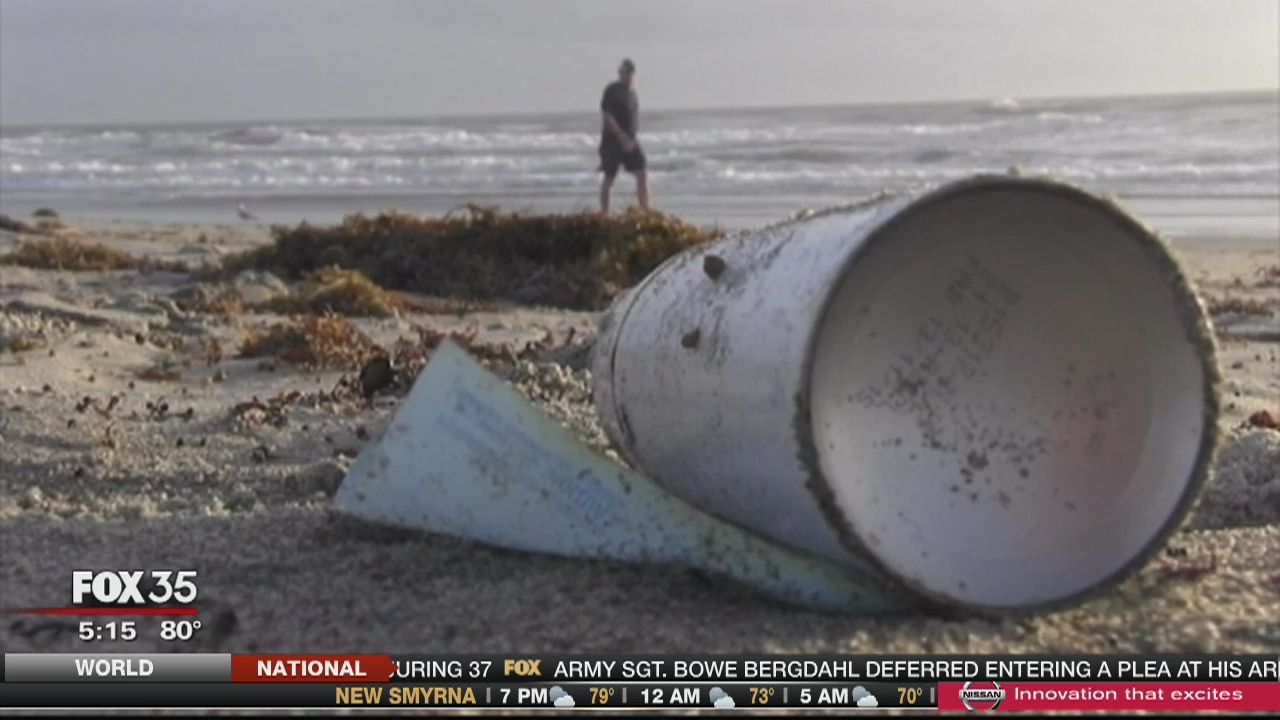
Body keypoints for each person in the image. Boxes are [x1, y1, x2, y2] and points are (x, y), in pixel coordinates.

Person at [598, 58, 649, 214]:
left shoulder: (632, 93)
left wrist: (630, 139)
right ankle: (605, 213)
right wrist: (621, 137)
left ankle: (645, 210)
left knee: (642, 173)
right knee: (609, 177)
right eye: (624, 73)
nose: (627, 76)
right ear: (620, 73)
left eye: (630, 73)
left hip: (631, 141)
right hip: (612, 141)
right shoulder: (612, 90)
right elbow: (608, 116)